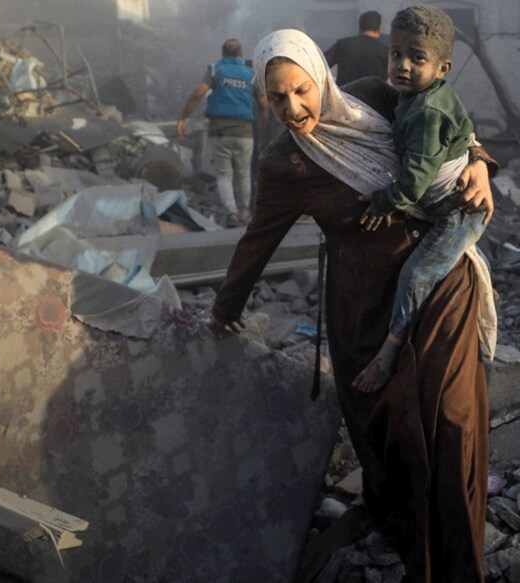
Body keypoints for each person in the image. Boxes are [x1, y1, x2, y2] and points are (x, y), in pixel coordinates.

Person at [209, 29, 497, 582]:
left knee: (453, 420)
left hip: (439, 286)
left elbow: (448, 120)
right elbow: (256, 242)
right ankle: (408, 544)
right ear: (262, 99)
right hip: (363, 307)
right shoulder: (283, 165)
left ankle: (460, 565)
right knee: (394, 436)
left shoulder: (374, 96)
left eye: (301, 90)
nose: (293, 108)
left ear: (321, 77)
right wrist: (223, 311)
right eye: (276, 97)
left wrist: (481, 160)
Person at [353, 5, 487, 393]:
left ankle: (388, 354)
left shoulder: (427, 112)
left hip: (455, 212)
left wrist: (382, 201)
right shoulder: (419, 96)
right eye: (397, 54)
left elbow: (411, 186)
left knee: (415, 276)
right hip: (444, 200)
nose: (403, 66)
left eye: (417, 58)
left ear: (443, 69)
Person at [177, 38, 267, 227]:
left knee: (224, 175)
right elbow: (264, 105)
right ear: (241, 54)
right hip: (245, 133)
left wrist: (183, 117)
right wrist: (261, 130)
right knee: (243, 174)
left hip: (219, 132)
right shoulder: (248, 72)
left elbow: (198, 93)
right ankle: (245, 215)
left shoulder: (216, 69)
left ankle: (232, 213)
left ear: (223, 54)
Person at [324, 10, 389, 86]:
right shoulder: (385, 50)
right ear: (379, 30)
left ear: (359, 28)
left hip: (345, 95)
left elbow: (322, 63)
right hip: (373, 96)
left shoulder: (343, 44)